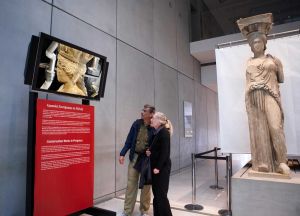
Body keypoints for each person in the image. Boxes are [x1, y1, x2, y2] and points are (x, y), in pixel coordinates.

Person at [237, 13, 290, 174]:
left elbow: (281, 79)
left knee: (275, 127)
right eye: (253, 42)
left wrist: (278, 67)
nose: (255, 44)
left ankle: (281, 162)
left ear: (264, 43)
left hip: (270, 95)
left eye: (258, 41)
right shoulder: (249, 62)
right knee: (258, 129)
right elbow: (247, 83)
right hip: (254, 96)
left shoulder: (273, 60)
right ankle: (262, 162)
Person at [119, 104, 156, 216]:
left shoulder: (154, 127)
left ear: (151, 114)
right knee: (131, 185)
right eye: (142, 110)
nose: (142, 112)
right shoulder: (136, 124)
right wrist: (122, 153)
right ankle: (127, 211)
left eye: (145, 111)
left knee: (146, 186)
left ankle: (144, 211)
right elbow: (129, 140)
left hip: (146, 160)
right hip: (134, 157)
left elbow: (157, 145)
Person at [147, 112, 173, 216]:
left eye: (153, 118)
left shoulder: (164, 132)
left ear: (159, 120)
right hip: (156, 168)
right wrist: (150, 152)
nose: (151, 119)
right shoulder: (157, 132)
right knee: (157, 195)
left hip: (161, 169)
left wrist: (158, 167)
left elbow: (165, 152)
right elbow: (158, 149)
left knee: (161, 195)